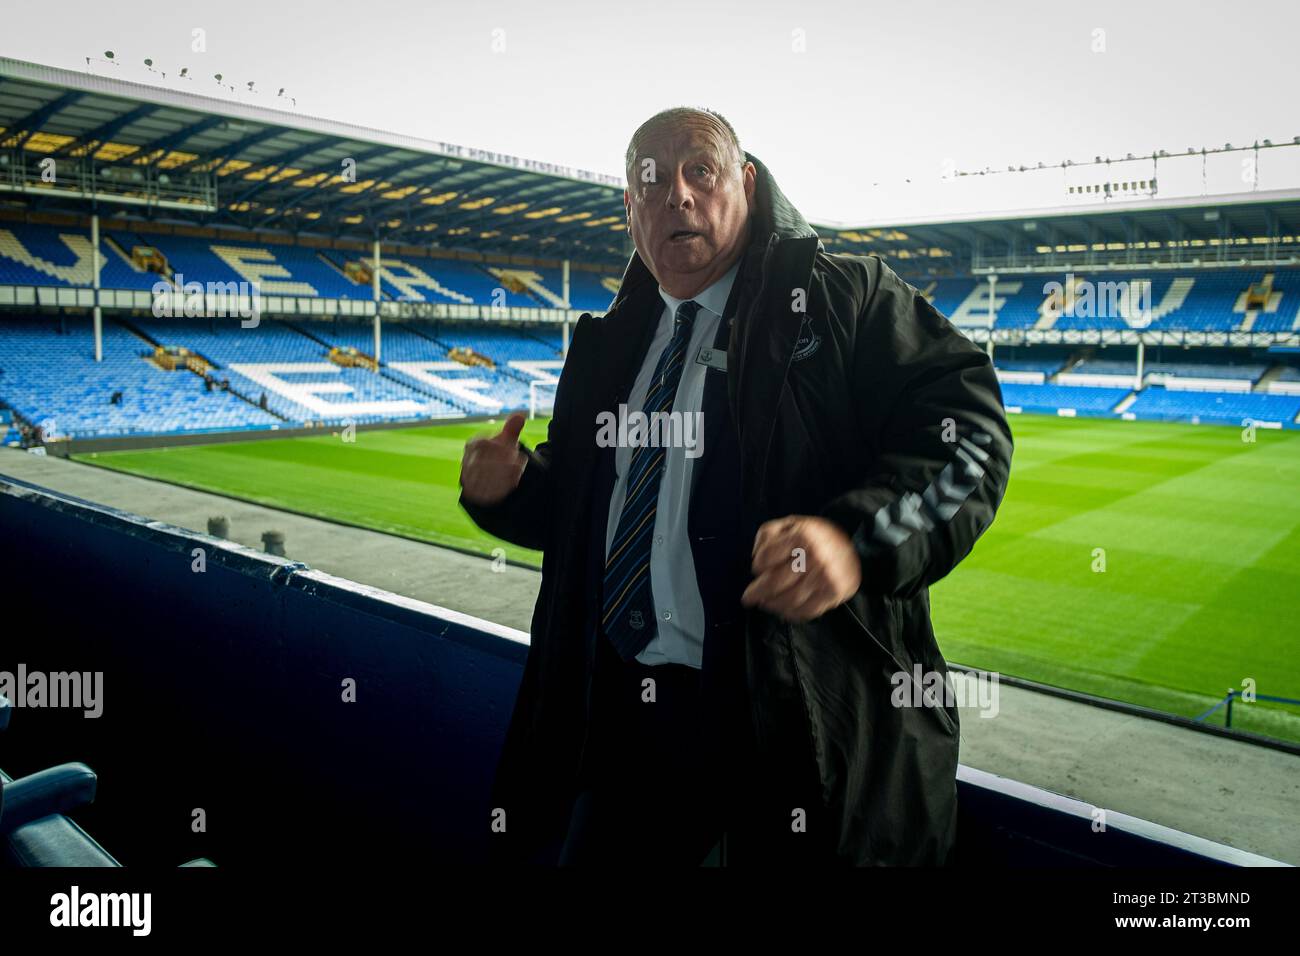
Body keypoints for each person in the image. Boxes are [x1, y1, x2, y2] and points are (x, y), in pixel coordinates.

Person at [459, 106, 1013, 866]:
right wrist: (518, 488)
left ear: (745, 183)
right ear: (629, 209)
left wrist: (854, 540)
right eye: (650, 183)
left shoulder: (845, 299)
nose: (677, 196)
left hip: (785, 738)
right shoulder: (608, 344)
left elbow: (971, 441)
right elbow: (595, 509)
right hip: (619, 731)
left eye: (701, 170)